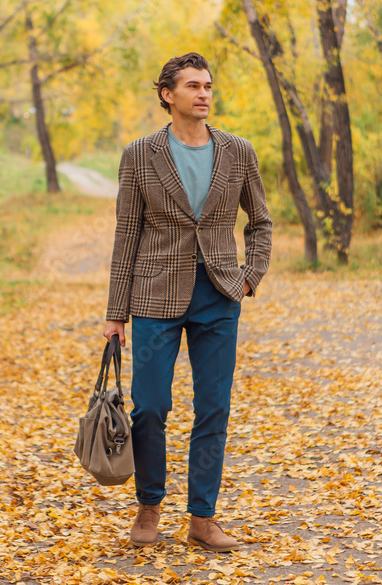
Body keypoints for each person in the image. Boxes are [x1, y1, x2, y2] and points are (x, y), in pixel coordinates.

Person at [103, 52, 273, 552]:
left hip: (219, 294)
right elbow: (126, 234)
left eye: (209, 86)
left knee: (213, 408)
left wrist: (250, 275)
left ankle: (202, 517)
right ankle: (149, 506)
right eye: (193, 86)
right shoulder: (139, 155)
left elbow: (260, 221)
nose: (204, 94)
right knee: (149, 407)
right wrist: (116, 312)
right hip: (155, 295)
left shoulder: (239, 151)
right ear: (167, 95)